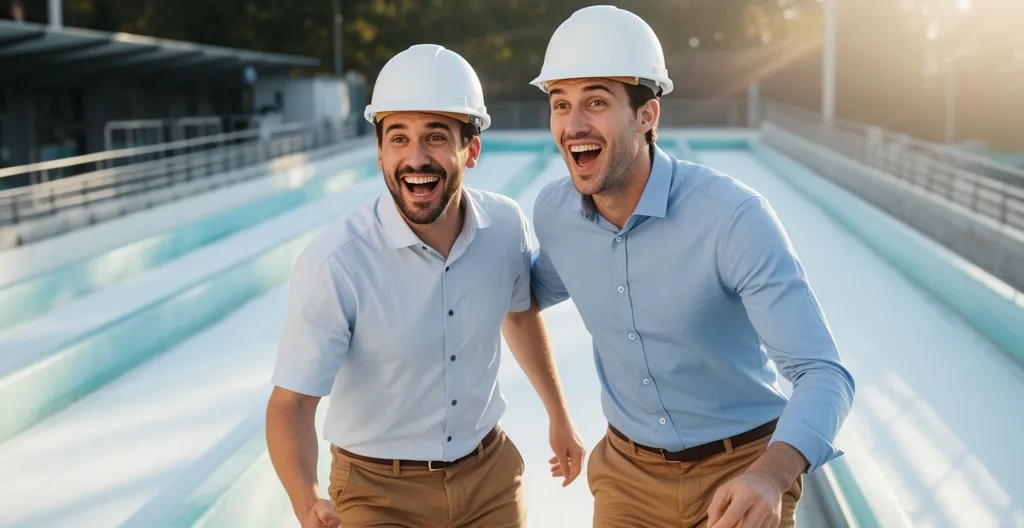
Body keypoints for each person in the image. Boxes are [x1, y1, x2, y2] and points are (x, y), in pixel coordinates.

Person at [526, 6, 856, 528]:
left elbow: (824, 374)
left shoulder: (732, 218)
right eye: (560, 103)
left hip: (742, 467)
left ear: (647, 116)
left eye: (595, 102)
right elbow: (517, 293)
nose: (574, 124)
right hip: (626, 475)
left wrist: (770, 476)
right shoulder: (555, 213)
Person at [266, 44, 585, 528]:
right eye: (398, 138)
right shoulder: (336, 263)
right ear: (378, 153)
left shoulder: (504, 226)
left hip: (488, 478)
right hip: (377, 493)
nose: (415, 158)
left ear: (470, 150)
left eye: (436, 138)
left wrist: (558, 414)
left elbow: (519, 313)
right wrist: (305, 496)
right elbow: (290, 404)